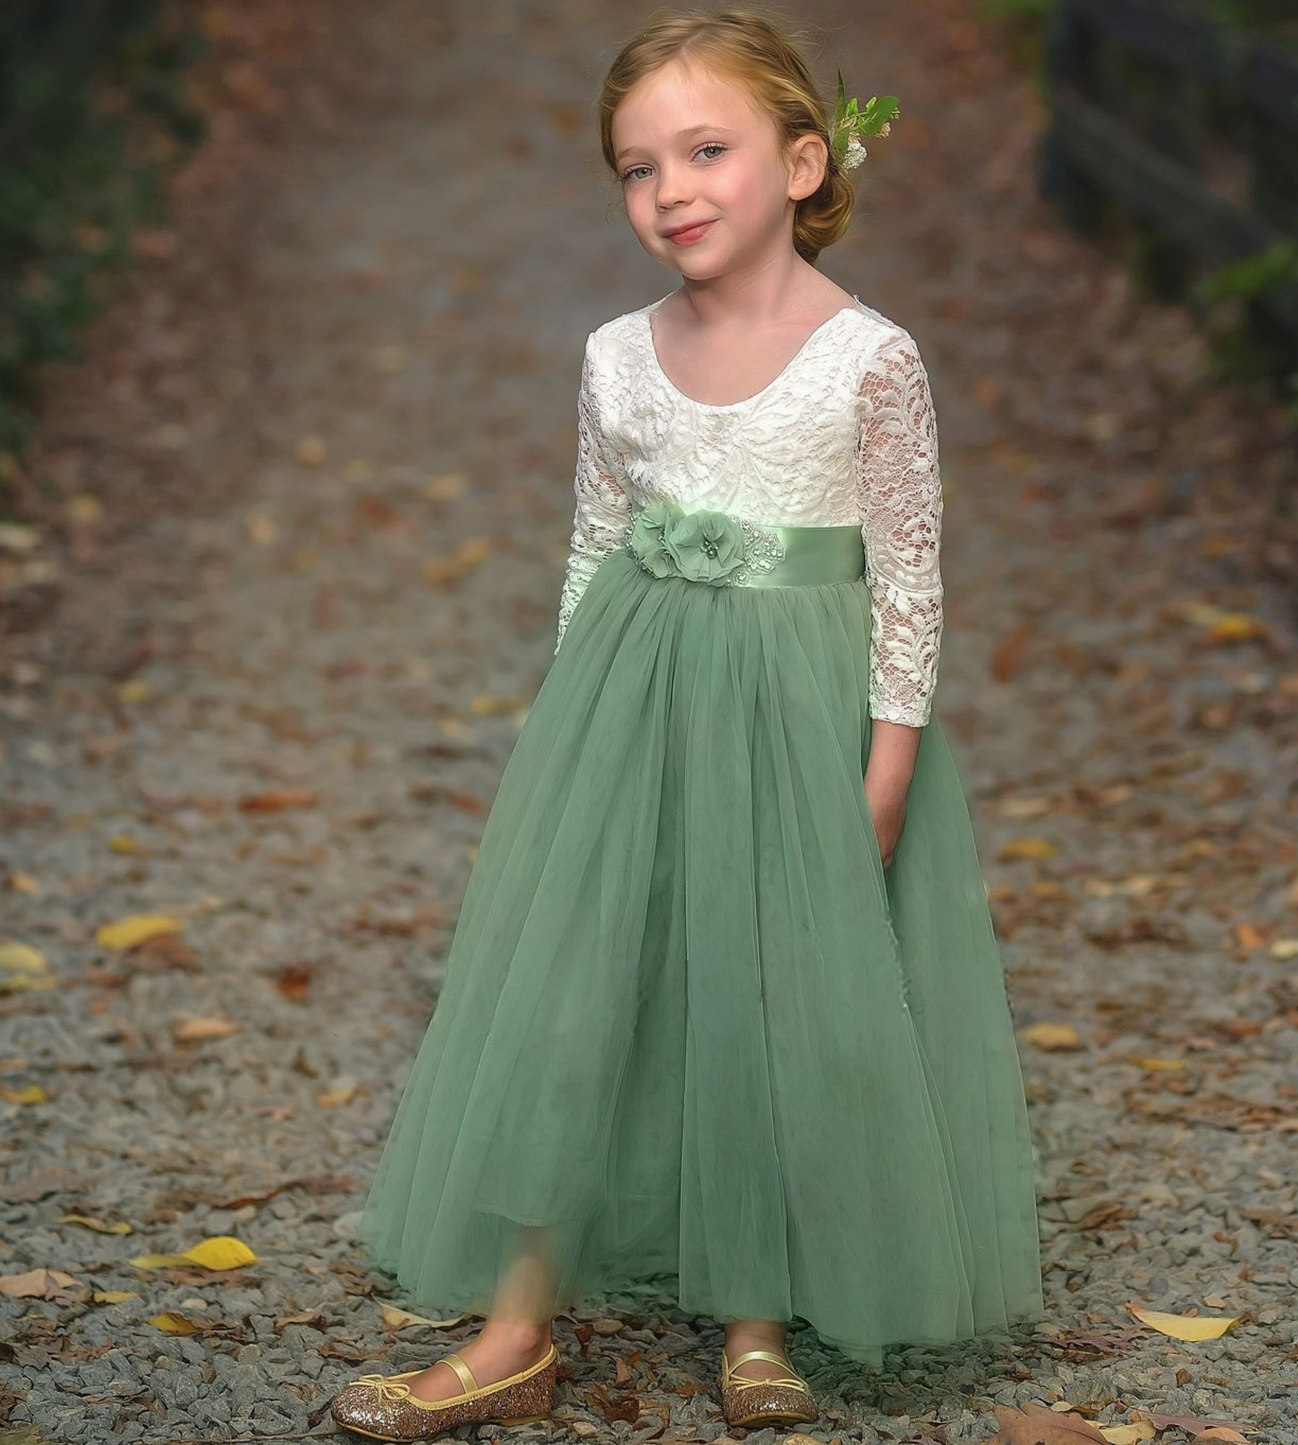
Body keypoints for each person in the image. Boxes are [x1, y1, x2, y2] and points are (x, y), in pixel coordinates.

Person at [329, 9, 1043, 1442]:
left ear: (799, 162)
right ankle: (517, 1323)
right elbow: (595, 552)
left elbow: (910, 573)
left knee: (773, 989)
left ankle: (758, 1312)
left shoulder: (871, 360)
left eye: (705, 151)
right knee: (579, 991)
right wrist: (568, 747)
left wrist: (888, 750)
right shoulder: (614, 356)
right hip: (634, 702)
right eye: (637, 168)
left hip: (796, 717)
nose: (672, 192)